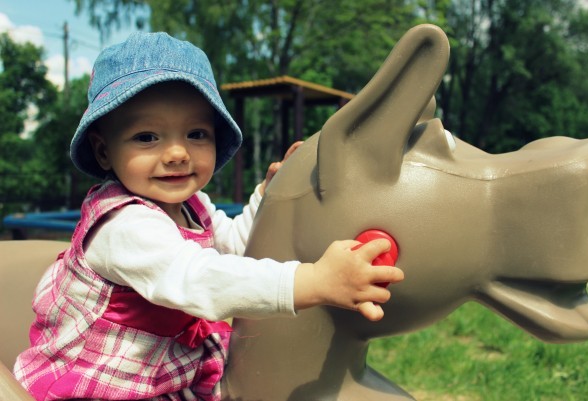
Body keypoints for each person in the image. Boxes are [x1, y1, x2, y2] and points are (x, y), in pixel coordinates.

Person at [13, 32, 404, 401]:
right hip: (101, 383)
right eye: (147, 137)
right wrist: (314, 281)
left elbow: (234, 247)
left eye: (196, 134)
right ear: (103, 152)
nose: (178, 153)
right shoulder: (122, 226)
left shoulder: (192, 205)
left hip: (160, 375)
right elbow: (198, 278)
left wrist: (268, 198)